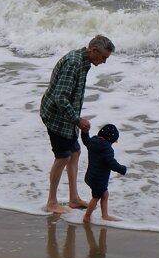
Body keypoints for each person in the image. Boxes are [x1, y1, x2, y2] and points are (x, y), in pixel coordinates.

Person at [39, 34, 114, 214]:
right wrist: (78, 120)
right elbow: (60, 98)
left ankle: (73, 199)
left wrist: (75, 119)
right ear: (94, 50)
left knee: (75, 152)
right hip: (56, 116)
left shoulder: (84, 62)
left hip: (66, 117)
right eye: (103, 57)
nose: (104, 62)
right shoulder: (73, 63)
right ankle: (51, 202)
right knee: (63, 157)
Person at [80, 123, 126, 223]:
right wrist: (121, 169)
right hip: (99, 179)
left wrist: (84, 132)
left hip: (90, 176)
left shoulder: (92, 141)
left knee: (105, 194)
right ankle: (87, 217)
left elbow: (85, 140)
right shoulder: (107, 149)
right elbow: (111, 163)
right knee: (95, 198)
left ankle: (105, 215)